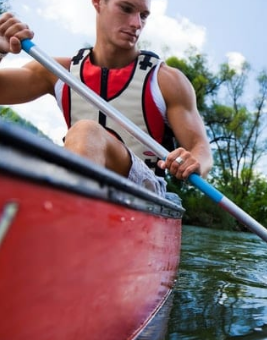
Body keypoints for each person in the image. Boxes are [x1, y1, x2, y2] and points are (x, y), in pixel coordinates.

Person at [0, 0, 212, 198]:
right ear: (98, 3)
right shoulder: (58, 71)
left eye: (144, 16)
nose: (136, 24)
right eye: (126, 9)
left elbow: (200, 148)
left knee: (86, 132)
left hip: (145, 191)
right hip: (77, 177)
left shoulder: (167, 80)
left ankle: (62, 215)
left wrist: (195, 162)